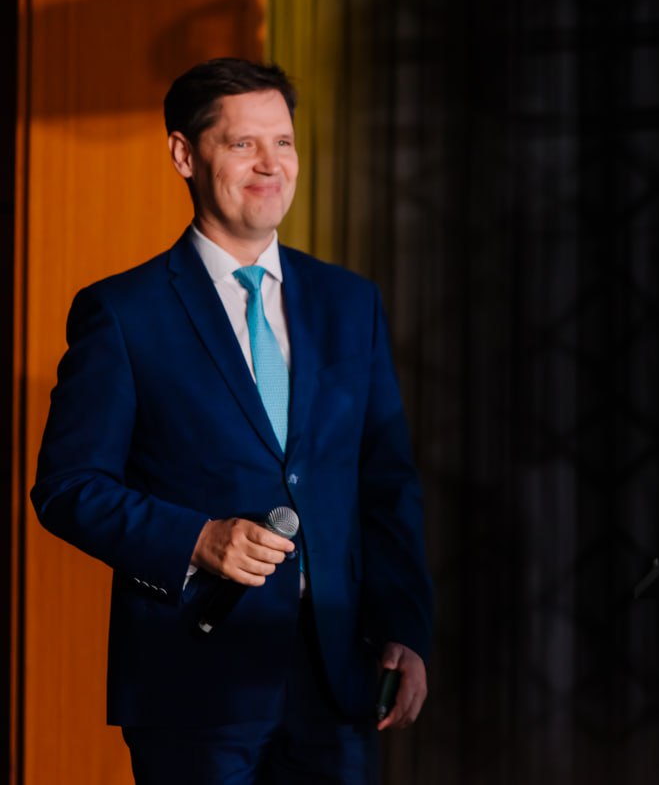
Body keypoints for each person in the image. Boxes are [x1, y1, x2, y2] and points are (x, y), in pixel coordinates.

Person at [30, 58, 434, 784]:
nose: (269, 164)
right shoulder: (122, 313)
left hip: (338, 678)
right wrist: (197, 538)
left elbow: (386, 485)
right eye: (243, 144)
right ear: (184, 154)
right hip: (194, 686)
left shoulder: (350, 304)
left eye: (283, 143)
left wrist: (406, 627)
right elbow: (67, 487)